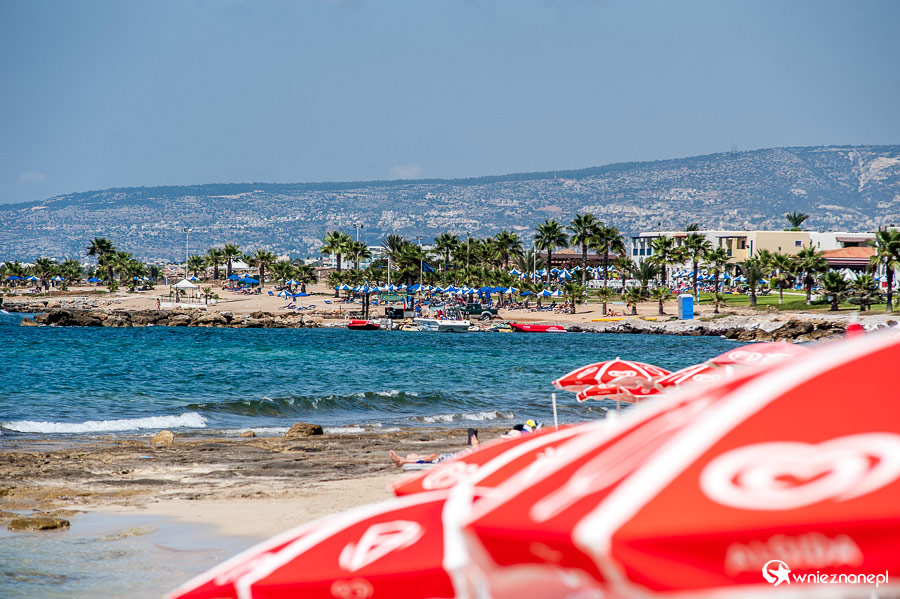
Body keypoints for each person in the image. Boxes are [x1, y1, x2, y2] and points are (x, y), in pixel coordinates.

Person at [389, 429, 480, 468]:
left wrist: (476, 446)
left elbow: (475, 458)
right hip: (454, 456)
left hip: (455, 460)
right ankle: (410, 459)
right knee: (415, 456)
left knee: (433, 456)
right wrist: (476, 445)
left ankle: (403, 461)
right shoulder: (483, 450)